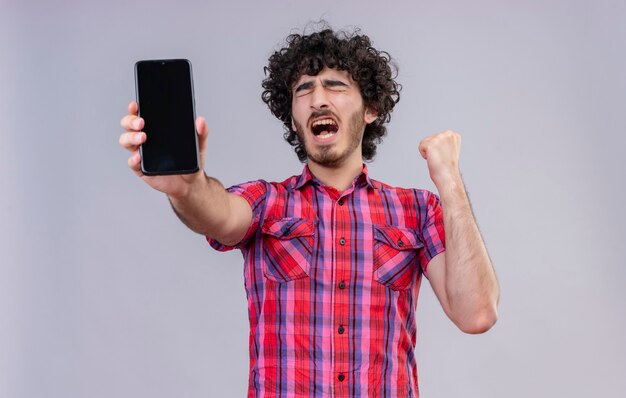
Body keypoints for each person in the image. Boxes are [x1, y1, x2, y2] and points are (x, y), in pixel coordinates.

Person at [119, 26, 499, 398]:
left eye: (335, 85)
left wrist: (449, 180)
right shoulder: (268, 203)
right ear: (294, 117)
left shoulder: (417, 210)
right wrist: (187, 189)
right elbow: (217, 214)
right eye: (304, 89)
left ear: (370, 108)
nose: (318, 99)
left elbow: (476, 313)